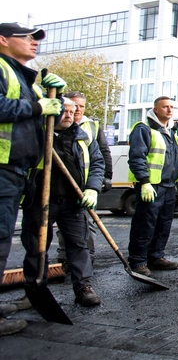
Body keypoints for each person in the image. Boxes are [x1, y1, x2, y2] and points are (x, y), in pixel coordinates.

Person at [0, 22, 64, 334]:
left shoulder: (28, 80)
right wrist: (38, 105)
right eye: (26, 37)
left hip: (19, 172)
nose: (34, 42)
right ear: (2, 40)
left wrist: (58, 98)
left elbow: (54, 118)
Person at [21, 98, 104, 307]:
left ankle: (83, 286)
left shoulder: (82, 137)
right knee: (36, 246)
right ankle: (34, 288)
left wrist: (92, 189)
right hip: (40, 200)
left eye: (72, 111)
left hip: (73, 201)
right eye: (64, 111)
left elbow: (97, 163)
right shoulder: (37, 133)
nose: (69, 115)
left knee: (78, 245)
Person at [53, 91, 114, 265]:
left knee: (86, 223)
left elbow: (102, 154)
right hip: (60, 185)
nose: (77, 110)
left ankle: (88, 258)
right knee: (63, 227)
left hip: (85, 185)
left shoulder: (92, 126)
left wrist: (105, 178)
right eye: (74, 106)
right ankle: (65, 258)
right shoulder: (53, 125)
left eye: (81, 106)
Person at [126, 96, 178, 276]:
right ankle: (138, 261)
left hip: (168, 185)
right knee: (145, 223)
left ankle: (156, 256)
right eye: (165, 107)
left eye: (172, 107)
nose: (169, 110)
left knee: (163, 224)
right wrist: (144, 182)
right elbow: (137, 157)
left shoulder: (172, 131)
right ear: (156, 109)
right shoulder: (144, 129)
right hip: (151, 186)